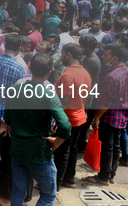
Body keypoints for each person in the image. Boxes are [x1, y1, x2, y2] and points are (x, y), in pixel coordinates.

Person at [4, 53, 71, 206]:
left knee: (18, 192)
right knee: (47, 196)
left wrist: (16, 133)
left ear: (29, 68)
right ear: (49, 73)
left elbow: (7, 118)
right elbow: (66, 126)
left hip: (18, 149)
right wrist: (57, 141)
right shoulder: (49, 95)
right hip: (39, 152)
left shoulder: (14, 89)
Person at [0, 34, 26, 201]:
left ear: (6, 45)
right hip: (8, 115)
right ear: (19, 48)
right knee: (5, 149)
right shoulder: (20, 69)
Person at [85, 43, 128, 185]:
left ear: (114, 58)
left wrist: (97, 118)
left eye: (106, 55)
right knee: (116, 146)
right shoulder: (125, 71)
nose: (102, 57)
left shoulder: (112, 76)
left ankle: (103, 176)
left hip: (109, 116)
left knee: (107, 147)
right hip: (121, 116)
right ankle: (110, 174)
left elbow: (105, 102)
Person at [53, 43, 92, 191]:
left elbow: (63, 103)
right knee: (72, 150)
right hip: (81, 117)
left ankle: (55, 184)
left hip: (68, 119)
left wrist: (57, 121)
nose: (61, 56)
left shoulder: (67, 75)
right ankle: (69, 179)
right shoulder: (85, 73)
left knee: (61, 152)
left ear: (68, 54)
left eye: (62, 53)